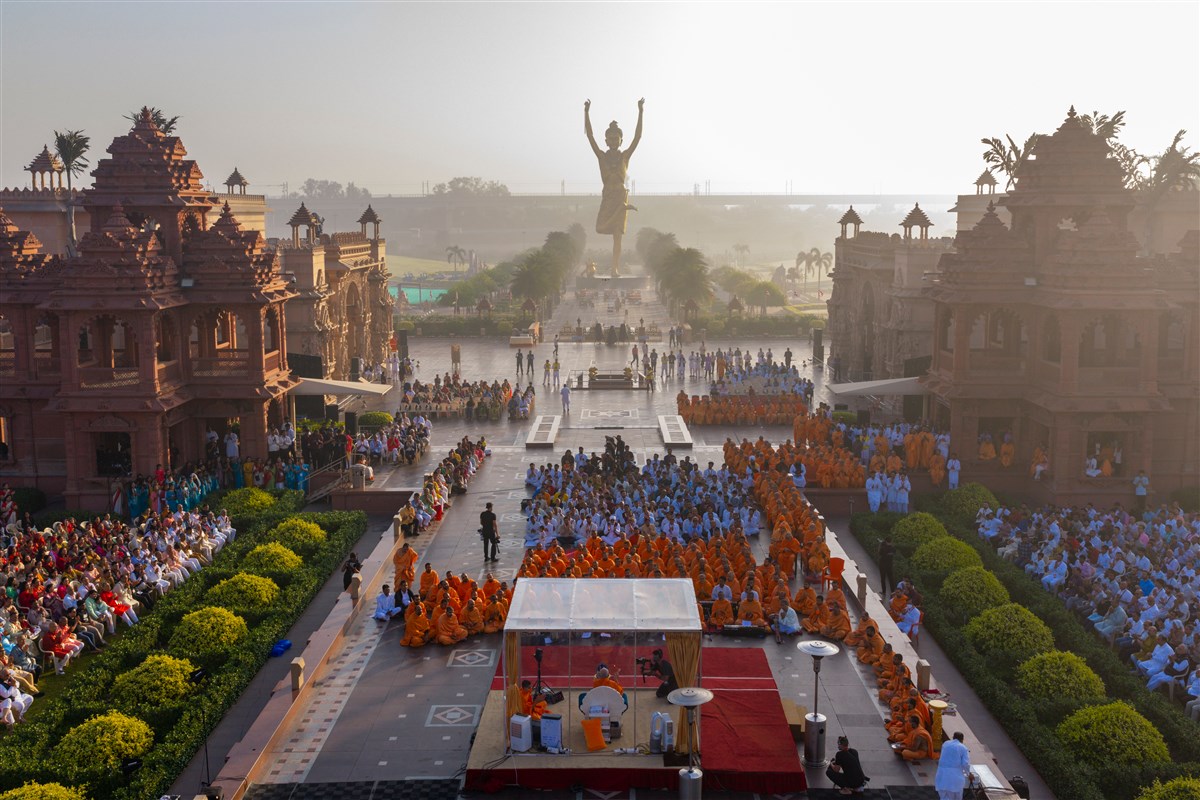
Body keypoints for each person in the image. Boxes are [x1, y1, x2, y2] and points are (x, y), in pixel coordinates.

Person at [584, 97, 644, 276]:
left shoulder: (625, 157)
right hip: (608, 197)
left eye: (616, 138)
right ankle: (623, 209)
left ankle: (614, 268)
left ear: (620, 140)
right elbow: (590, 136)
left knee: (617, 235)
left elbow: (638, 137)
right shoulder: (602, 157)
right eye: (610, 138)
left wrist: (640, 112)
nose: (613, 141)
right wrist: (586, 113)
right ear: (606, 140)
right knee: (600, 228)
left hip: (620, 195)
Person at [934, 731, 971, 800]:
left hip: (942, 776)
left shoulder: (945, 744)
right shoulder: (963, 748)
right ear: (962, 740)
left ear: (953, 738)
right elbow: (965, 764)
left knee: (944, 797)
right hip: (955, 779)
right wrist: (969, 774)